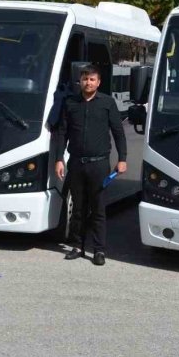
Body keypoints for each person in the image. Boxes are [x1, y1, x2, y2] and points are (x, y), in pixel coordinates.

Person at [52, 64, 127, 266]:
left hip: (99, 165)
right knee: (78, 208)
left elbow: (118, 132)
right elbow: (62, 133)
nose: (88, 82)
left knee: (98, 209)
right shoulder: (71, 103)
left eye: (92, 79)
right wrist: (59, 159)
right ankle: (77, 246)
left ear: (98, 82)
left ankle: (99, 250)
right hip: (76, 164)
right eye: (85, 79)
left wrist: (123, 159)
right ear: (80, 81)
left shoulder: (107, 103)